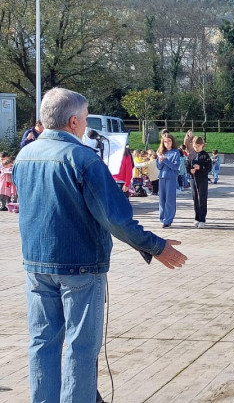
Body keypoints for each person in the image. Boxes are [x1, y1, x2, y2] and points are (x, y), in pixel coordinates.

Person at [13, 87, 186, 403]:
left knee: (42, 341)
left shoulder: (25, 154)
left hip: (36, 264)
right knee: (80, 346)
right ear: (75, 120)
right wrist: (156, 246)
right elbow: (115, 218)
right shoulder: (81, 158)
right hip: (79, 265)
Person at [156, 132, 181, 228]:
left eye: (169, 141)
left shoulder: (175, 152)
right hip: (162, 177)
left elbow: (175, 166)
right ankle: (162, 218)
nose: (167, 143)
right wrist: (160, 160)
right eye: (165, 142)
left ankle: (168, 220)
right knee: (162, 199)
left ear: (172, 141)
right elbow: (158, 166)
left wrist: (165, 160)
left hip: (171, 177)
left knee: (170, 200)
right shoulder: (162, 151)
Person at [188, 137, 212, 228]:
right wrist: (190, 170)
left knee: (202, 198)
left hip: (202, 179)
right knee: (195, 199)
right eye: (194, 146)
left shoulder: (205, 155)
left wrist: (200, 168)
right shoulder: (191, 154)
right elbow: (187, 165)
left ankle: (202, 219)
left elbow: (209, 168)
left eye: (198, 146)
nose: (196, 148)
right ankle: (196, 217)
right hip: (193, 178)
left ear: (202, 145)